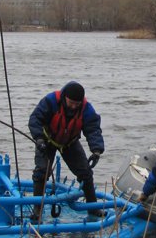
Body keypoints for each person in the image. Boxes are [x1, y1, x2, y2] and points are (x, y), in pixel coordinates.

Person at [28, 81, 105, 219]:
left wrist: (97, 150)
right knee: (41, 172)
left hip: (70, 143)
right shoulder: (50, 101)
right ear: (64, 97)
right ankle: (37, 209)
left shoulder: (86, 108)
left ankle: (93, 208)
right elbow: (35, 119)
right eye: (71, 103)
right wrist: (38, 139)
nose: (74, 106)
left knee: (86, 173)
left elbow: (93, 129)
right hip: (46, 141)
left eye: (77, 104)